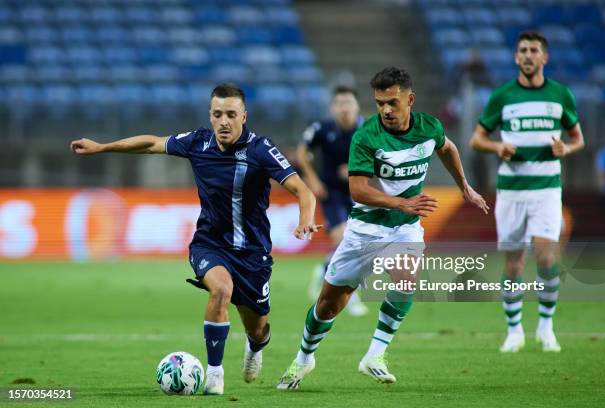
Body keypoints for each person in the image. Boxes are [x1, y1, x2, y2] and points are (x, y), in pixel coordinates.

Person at [70, 83, 320, 395]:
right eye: (218, 114)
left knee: (258, 329)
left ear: (244, 115)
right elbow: (152, 143)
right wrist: (102, 147)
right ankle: (215, 375)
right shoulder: (198, 142)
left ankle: (255, 348)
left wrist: (306, 220)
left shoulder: (260, 150)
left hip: (252, 254)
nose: (224, 121)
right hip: (209, 244)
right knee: (221, 290)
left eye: (231, 114)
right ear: (210, 116)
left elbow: (302, 190)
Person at [277, 67, 489, 389]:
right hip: (365, 229)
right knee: (329, 303)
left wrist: (464, 186)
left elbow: (447, 148)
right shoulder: (366, 136)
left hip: (404, 228)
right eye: (379, 104)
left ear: (410, 99)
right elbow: (358, 190)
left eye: (392, 102)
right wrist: (402, 202)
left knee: (406, 281)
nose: (386, 110)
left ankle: (374, 355)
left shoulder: (429, 126)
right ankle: (304, 358)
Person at [470, 31, 585, 353]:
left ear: (544, 57)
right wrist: (497, 146)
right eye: (522, 50)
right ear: (516, 57)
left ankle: (546, 327)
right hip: (511, 191)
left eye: (534, 50)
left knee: (548, 258)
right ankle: (514, 330)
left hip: (547, 189)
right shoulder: (503, 95)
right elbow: (476, 139)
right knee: (514, 263)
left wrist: (566, 148)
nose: (528, 55)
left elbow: (579, 139)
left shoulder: (560, 95)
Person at [295, 85, 368, 317]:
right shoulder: (322, 128)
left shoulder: (368, 129)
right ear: (333, 107)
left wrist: (358, 170)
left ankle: (325, 269)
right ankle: (351, 294)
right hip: (332, 194)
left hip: (360, 191)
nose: (344, 108)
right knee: (345, 239)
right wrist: (313, 180)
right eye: (339, 103)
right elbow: (301, 153)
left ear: (357, 106)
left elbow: (382, 156)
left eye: (348, 103)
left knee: (356, 243)